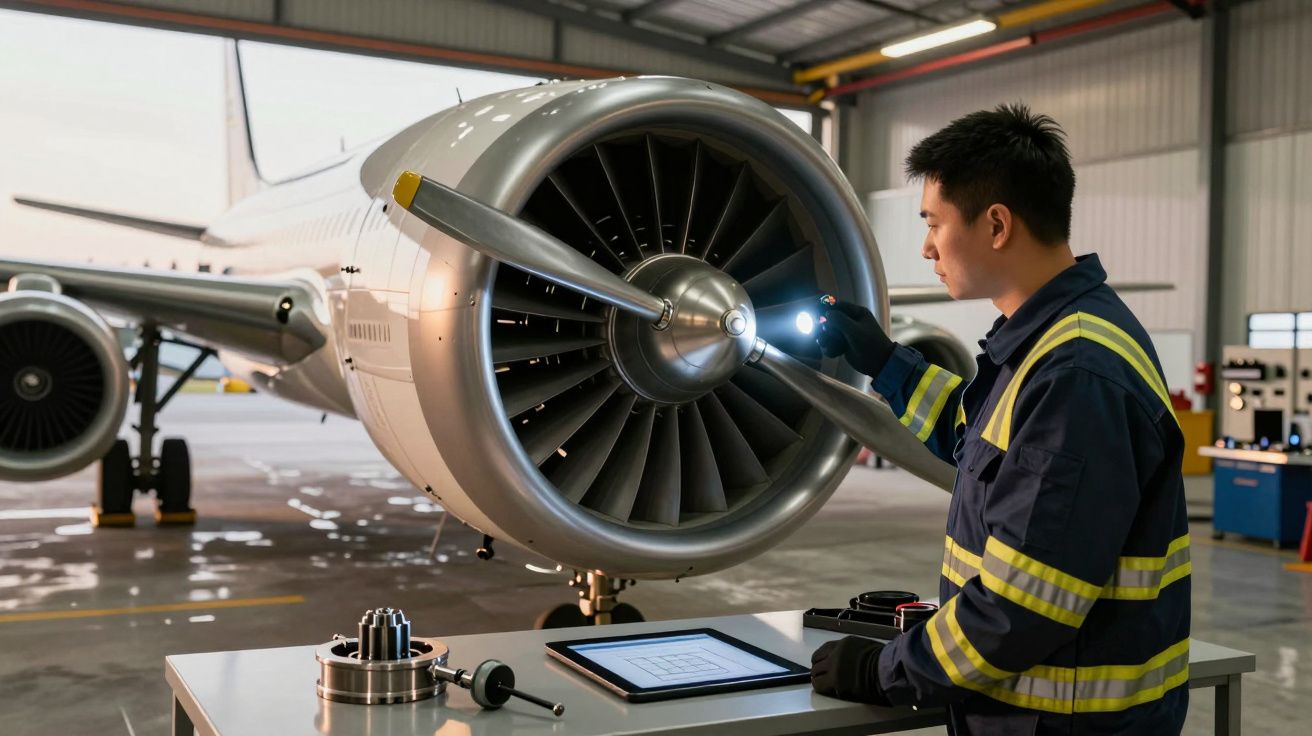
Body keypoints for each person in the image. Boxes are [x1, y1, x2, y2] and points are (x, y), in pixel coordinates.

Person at [809, 104, 1190, 735]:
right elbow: (977, 438)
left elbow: (1019, 608)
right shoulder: (1054, 339)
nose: (927, 247)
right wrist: (883, 360)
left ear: (995, 225)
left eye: (933, 223)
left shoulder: (1075, 374)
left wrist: (884, 671)